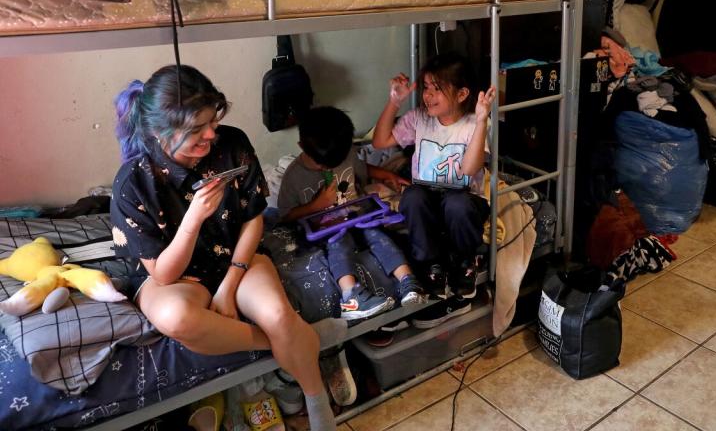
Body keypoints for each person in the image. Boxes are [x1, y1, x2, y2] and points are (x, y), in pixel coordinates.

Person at [110, 65, 337, 431]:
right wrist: (194, 218)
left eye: (211, 121)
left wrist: (231, 283)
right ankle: (301, 339)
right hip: (174, 276)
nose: (211, 134)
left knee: (279, 314)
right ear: (159, 132)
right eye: (196, 130)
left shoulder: (231, 145)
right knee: (174, 319)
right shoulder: (133, 184)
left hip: (235, 258)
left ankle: (316, 400)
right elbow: (163, 273)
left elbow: (253, 217)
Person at [372, 53, 496, 321]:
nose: (428, 95)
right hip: (427, 196)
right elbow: (380, 142)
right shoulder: (419, 118)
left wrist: (483, 120)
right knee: (413, 197)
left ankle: (466, 262)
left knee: (457, 203)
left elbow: (470, 170)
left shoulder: (472, 123)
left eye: (436, 89)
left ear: (462, 94)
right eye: (426, 87)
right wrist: (395, 101)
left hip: (463, 198)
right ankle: (431, 265)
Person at [277, 106, 426, 320]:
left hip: (356, 216)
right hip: (327, 229)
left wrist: (384, 174)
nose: (327, 169)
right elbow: (285, 216)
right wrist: (316, 205)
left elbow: (361, 168)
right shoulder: (293, 177)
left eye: (335, 164)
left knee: (378, 234)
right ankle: (351, 296)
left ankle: (407, 281)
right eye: (320, 164)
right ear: (302, 146)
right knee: (338, 242)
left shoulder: (343, 153)